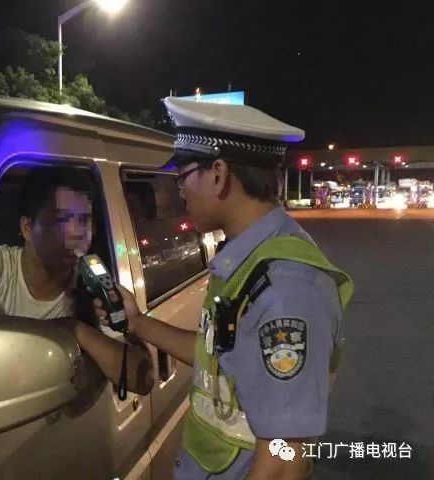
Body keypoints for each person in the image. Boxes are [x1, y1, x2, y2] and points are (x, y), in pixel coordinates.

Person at [94, 98, 353, 479]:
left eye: (182, 176)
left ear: (218, 174)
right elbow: (221, 357)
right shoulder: (246, 259)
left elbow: (283, 462)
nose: (180, 191)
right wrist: (137, 323)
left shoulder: (287, 288)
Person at [0, 168, 154, 395]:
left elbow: (143, 379)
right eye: (61, 219)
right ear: (27, 228)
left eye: (84, 220)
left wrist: (74, 329)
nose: (76, 232)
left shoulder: (91, 291)